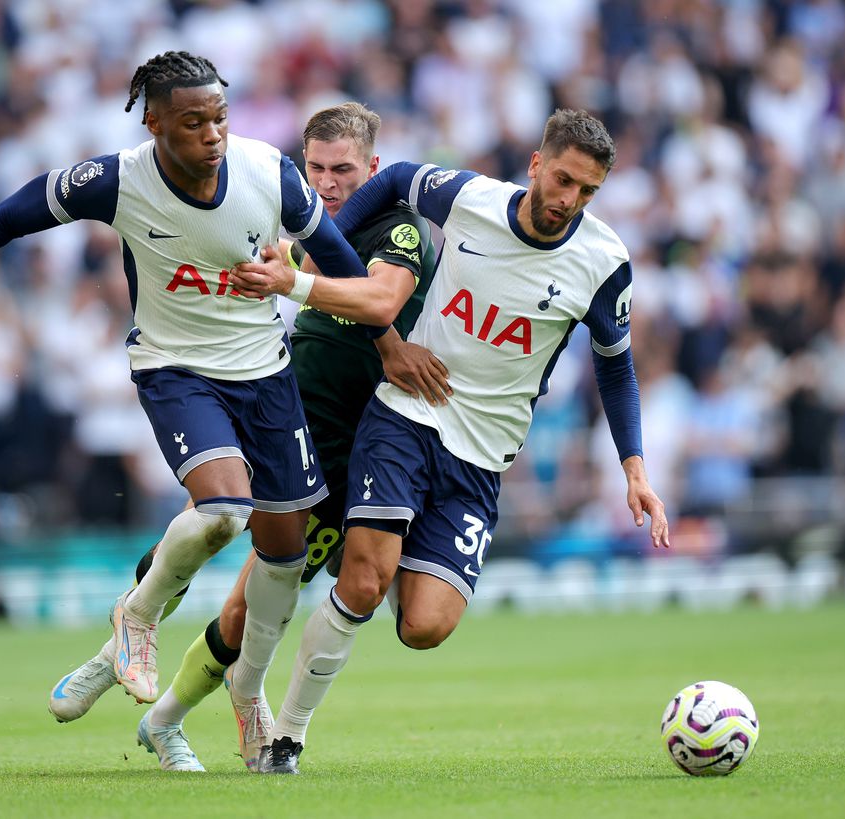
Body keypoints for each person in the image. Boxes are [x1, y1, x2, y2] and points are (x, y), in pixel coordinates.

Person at [0, 51, 382, 770]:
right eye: (193, 122)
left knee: (281, 555)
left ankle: (247, 697)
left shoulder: (270, 174)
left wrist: (392, 346)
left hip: (267, 376)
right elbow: (3, 220)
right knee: (222, 512)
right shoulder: (116, 181)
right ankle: (139, 616)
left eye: (219, 117)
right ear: (153, 123)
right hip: (177, 370)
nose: (213, 134)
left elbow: (345, 270)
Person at [228, 108, 671, 774]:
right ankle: (286, 736)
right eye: (562, 179)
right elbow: (395, 179)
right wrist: (319, 247)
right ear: (536, 165)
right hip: (405, 416)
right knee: (364, 579)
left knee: (426, 625)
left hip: (481, 454)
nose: (568, 200)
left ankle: (379, 568)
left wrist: (635, 468)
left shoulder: (603, 261)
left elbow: (615, 361)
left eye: (586, 190)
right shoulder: (469, 198)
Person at [47, 101, 449, 772]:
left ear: (373, 168)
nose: (326, 182)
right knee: (211, 536)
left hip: (354, 452)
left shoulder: (400, 231)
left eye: (343, 169)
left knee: (246, 611)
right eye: (315, 167)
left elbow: (377, 297)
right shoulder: (289, 224)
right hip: (287, 418)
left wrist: (292, 280)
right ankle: (121, 650)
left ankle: (164, 714)